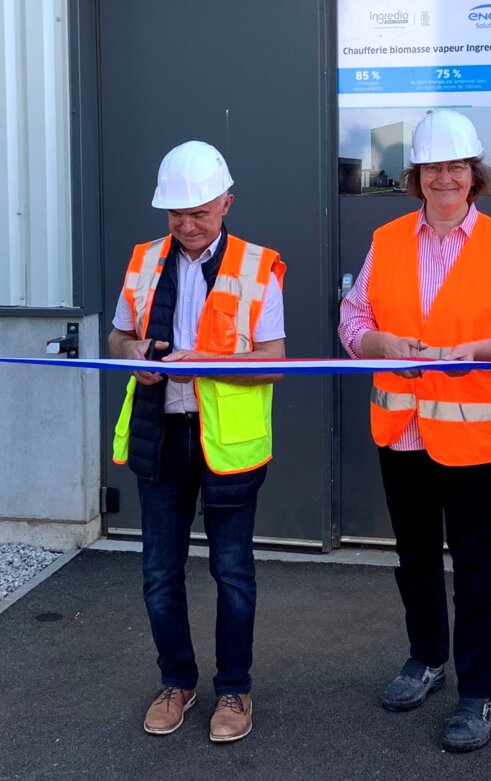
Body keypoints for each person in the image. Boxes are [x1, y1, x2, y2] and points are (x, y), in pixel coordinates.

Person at [338, 109, 491, 752]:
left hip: (472, 436)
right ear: (417, 176)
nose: (444, 178)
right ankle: (427, 658)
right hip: (402, 430)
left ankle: (477, 694)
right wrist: (377, 343)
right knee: (415, 558)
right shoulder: (387, 239)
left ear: (474, 175)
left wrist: (484, 351)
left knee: (475, 566)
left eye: (455, 167)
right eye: (432, 168)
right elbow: (353, 317)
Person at [108, 140, 286, 743]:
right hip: (160, 434)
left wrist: (207, 365)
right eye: (177, 214)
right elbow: (118, 338)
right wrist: (133, 352)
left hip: (226, 444)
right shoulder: (143, 261)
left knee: (232, 572)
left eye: (200, 213)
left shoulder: (258, 267)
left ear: (226, 204)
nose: (187, 225)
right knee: (159, 572)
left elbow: (274, 362)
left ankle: (234, 689)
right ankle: (176, 682)